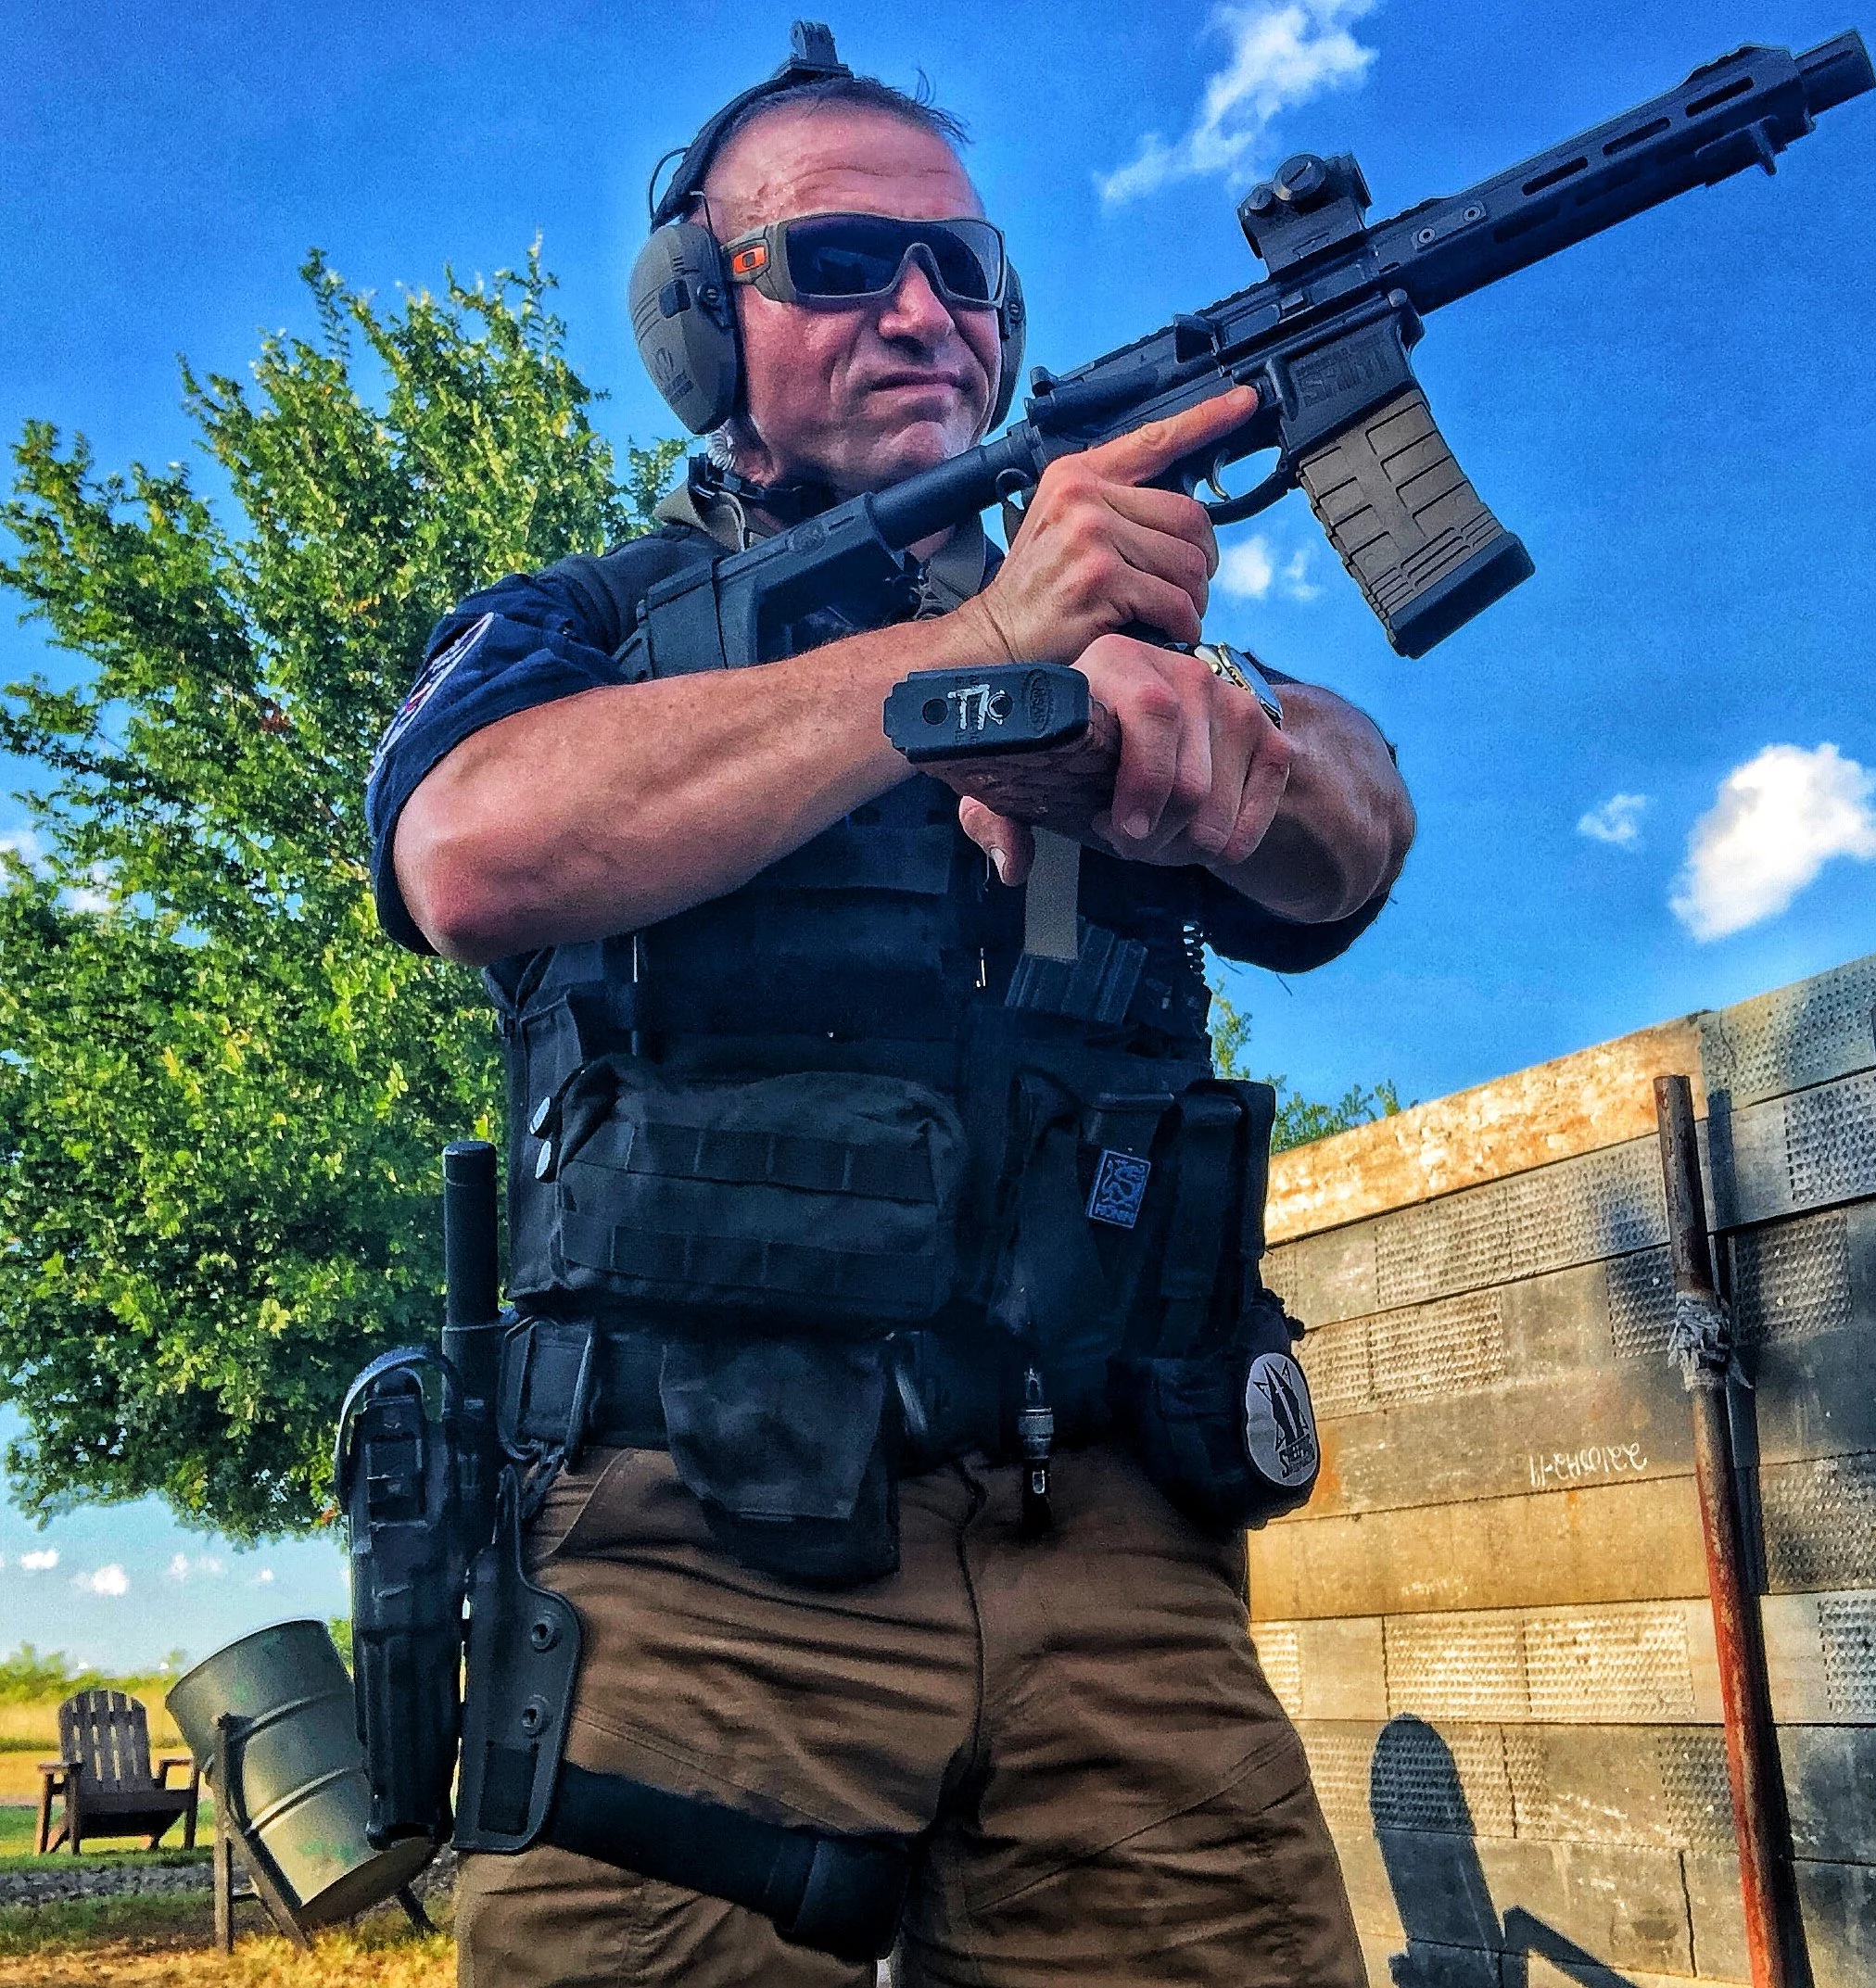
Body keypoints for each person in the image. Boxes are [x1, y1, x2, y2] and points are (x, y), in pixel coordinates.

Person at [365, 27, 1413, 1988]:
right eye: (843, 265)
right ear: (703, 325)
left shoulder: (1131, 631)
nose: (925, 311)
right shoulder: (584, 630)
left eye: (966, 269)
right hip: (701, 1558)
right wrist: (971, 655)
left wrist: (1237, 754)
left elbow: (1357, 843)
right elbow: (469, 846)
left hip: (1113, 1546)